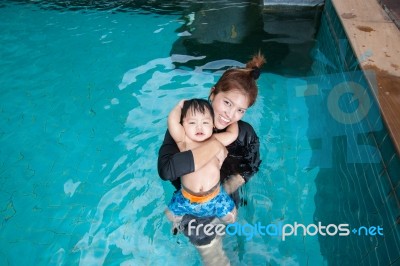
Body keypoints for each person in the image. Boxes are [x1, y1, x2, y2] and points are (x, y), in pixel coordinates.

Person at [158, 52, 265, 262]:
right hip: (189, 200)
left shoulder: (244, 134)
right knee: (212, 253)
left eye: (240, 110)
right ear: (212, 93)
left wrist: (230, 186)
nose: (230, 114)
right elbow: (167, 170)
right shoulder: (187, 125)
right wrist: (214, 145)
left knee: (228, 242)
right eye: (227, 103)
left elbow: (251, 166)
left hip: (225, 195)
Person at [165, 99, 238, 228]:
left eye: (205, 122)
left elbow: (232, 134)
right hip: (186, 198)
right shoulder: (184, 141)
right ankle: (180, 223)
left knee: (231, 218)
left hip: (215, 197)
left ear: (213, 126)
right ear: (183, 125)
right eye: (192, 122)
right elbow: (172, 122)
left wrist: (232, 119)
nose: (199, 127)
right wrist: (178, 107)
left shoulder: (215, 140)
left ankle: (215, 223)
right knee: (170, 215)